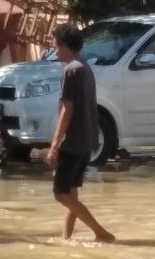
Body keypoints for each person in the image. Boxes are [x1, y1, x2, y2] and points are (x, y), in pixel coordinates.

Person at [45, 23, 114, 243]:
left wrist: (55, 145)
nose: (54, 50)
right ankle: (67, 238)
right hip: (86, 141)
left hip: (72, 142)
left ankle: (101, 232)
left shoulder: (71, 70)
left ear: (64, 45)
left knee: (60, 194)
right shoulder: (84, 67)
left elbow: (67, 109)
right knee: (72, 194)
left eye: (56, 45)